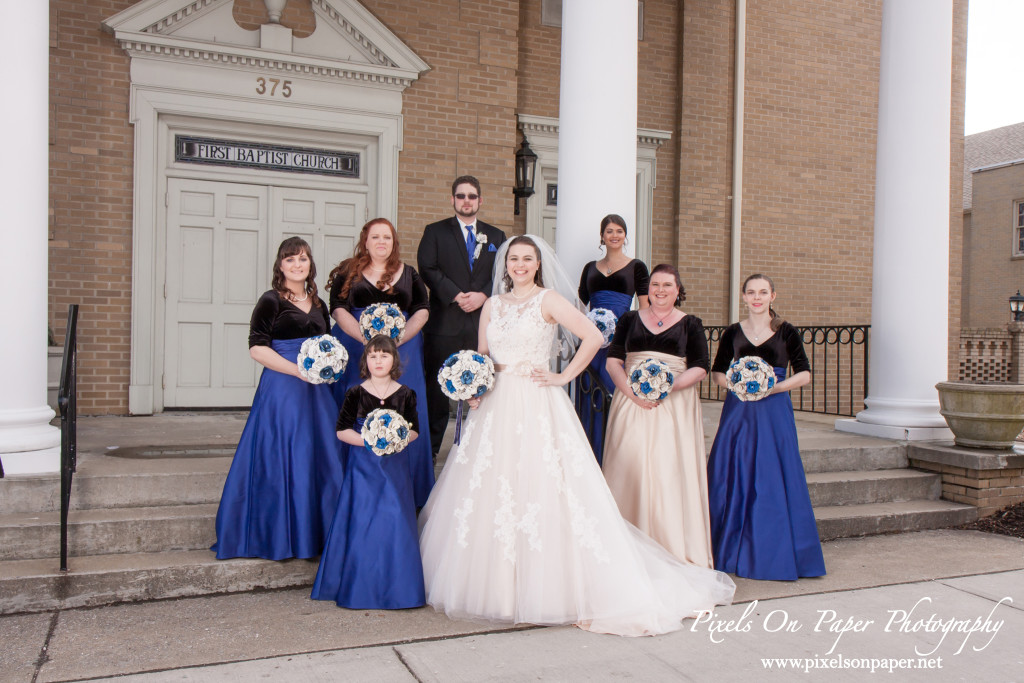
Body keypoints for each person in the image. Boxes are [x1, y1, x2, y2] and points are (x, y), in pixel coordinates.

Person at [418, 236, 735, 637]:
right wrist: (474, 388)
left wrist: (563, 376)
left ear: (537, 264)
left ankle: (545, 588)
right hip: (495, 408)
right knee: (491, 491)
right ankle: (498, 589)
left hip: (537, 401)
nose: (519, 265)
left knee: (541, 488)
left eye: (527, 259)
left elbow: (593, 336)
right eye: (513, 259)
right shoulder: (491, 306)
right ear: (505, 265)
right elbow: (483, 354)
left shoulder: (548, 300)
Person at [212, 237, 343, 560]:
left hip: (317, 392)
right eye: (290, 260)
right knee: (286, 453)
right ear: (280, 266)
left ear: (310, 264)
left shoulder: (319, 303)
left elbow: (326, 343)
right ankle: (279, 534)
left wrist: (326, 368)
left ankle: (318, 534)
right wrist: (299, 370)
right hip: (284, 388)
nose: (298, 265)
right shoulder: (270, 300)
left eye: (303, 259)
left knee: (319, 456)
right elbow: (257, 348)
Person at [706, 273, 826, 581]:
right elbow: (717, 373)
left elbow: (805, 374)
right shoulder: (733, 332)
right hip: (739, 411)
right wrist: (735, 382)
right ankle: (728, 549)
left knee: (773, 475)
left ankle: (774, 553)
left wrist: (772, 387)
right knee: (733, 471)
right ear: (743, 297)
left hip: (773, 410)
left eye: (763, 292)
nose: (756, 297)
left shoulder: (786, 332)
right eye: (751, 292)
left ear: (773, 296)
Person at [601, 264, 713, 568]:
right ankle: (626, 545)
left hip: (673, 406)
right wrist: (632, 393)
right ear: (647, 289)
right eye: (654, 285)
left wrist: (666, 387)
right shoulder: (629, 319)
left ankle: (669, 546)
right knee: (629, 466)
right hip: (630, 403)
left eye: (667, 285)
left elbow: (701, 366)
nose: (660, 291)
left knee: (667, 471)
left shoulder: (691, 324)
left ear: (678, 290)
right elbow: (614, 361)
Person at [327, 218, 434, 507]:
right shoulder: (349, 271)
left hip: (403, 350)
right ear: (366, 240)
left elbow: (422, 310)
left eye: (387, 237)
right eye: (375, 237)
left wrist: (395, 342)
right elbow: (337, 308)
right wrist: (365, 338)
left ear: (394, 242)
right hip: (355, 346)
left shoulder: (409, 273)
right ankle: (349, 487)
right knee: (355, 405)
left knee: (402, 407)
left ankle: (407, 491)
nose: (381, 242)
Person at [311, 336, 425, 609]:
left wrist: (396, 438)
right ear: (366, 362)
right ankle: (360, 588)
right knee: (364, 521)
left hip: (394, 468)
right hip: (364, 468)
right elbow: (341, 431)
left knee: (395, 520)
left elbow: (414, 430)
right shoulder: (355, 392)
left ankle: (400, 590)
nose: (378, 361)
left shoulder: (406, 393)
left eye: (384, 356)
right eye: (372, 356)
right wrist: (371, 440)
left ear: (394, 360)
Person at [417, 176, 506, 458]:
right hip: (444, 325)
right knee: (437, 394)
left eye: (471, 196)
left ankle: (481, 455)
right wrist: (456, 295)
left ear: (480, 200)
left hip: (483, 325)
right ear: (452, 200)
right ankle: (430, 456)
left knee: (485, 389)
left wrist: (483, 295)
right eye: (460, 196)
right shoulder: (435, 231)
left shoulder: (496, 237)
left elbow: (503, 275)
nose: (466, 201)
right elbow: (427, 267)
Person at [577, 214, 650, 463]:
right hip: (591, 341)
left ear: (625, 235)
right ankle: (590, 451)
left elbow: (644, 306)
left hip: (622, 338)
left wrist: (638, 339)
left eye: (619, 231)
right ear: (602, 236)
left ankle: (614, 455)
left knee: (614, 390)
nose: (614, 235)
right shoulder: (589, 268)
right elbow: (580, 304)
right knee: (590, 392)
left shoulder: (637, 266)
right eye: (609, 231)